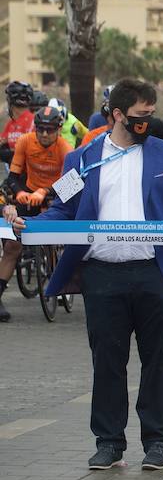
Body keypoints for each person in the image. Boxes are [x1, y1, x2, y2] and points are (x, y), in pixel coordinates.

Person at [4, 79, 163, 469]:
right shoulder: (82, 158)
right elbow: (64, 207)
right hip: (102, 275)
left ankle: (157, 441)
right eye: (141, 116)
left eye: (151, 114)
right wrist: (31, 223)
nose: (148, 122)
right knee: (107, 362)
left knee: (158, 359)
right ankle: (109, 442)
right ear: (117, 115)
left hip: (155, 272)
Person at [0, 105, 71, 321]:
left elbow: (73, 182)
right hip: (29, 193)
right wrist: (20, 192)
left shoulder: (65, 148)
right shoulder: (24, 141)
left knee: (60, 236)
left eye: (50, 130)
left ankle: (59, 272)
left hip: (55, 195)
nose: (45, 134)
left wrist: (46, 192)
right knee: (12, 245)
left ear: (58, 129)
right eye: (40, 129)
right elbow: (12, 177)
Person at [2, 80, 35, 166]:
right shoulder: (11, 124)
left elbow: (33, 151)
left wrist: (11, 154)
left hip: (30, 174)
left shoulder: (33, 121)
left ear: (10, 101)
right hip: (15, 172)